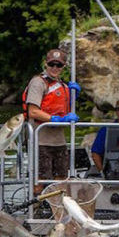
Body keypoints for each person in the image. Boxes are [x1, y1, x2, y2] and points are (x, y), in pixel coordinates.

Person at [23, 48, 80, 193]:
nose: (55, 68)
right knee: (40, 180)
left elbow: (63, 107)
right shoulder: (38, 82)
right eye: (51, 64)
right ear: (45, 64)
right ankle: (37, 204)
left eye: (58, 65)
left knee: (61, 179)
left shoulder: (64, 86)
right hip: (40, 140)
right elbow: (32, 111)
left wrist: (73, 97)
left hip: (59, 141)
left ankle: (58, 205)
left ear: (63, 66)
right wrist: (55, 119)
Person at [88, 97, 119, 175]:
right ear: (116, 112)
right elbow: (95, 153)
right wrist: (102, 173)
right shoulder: (106, 129)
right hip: (114, 170)